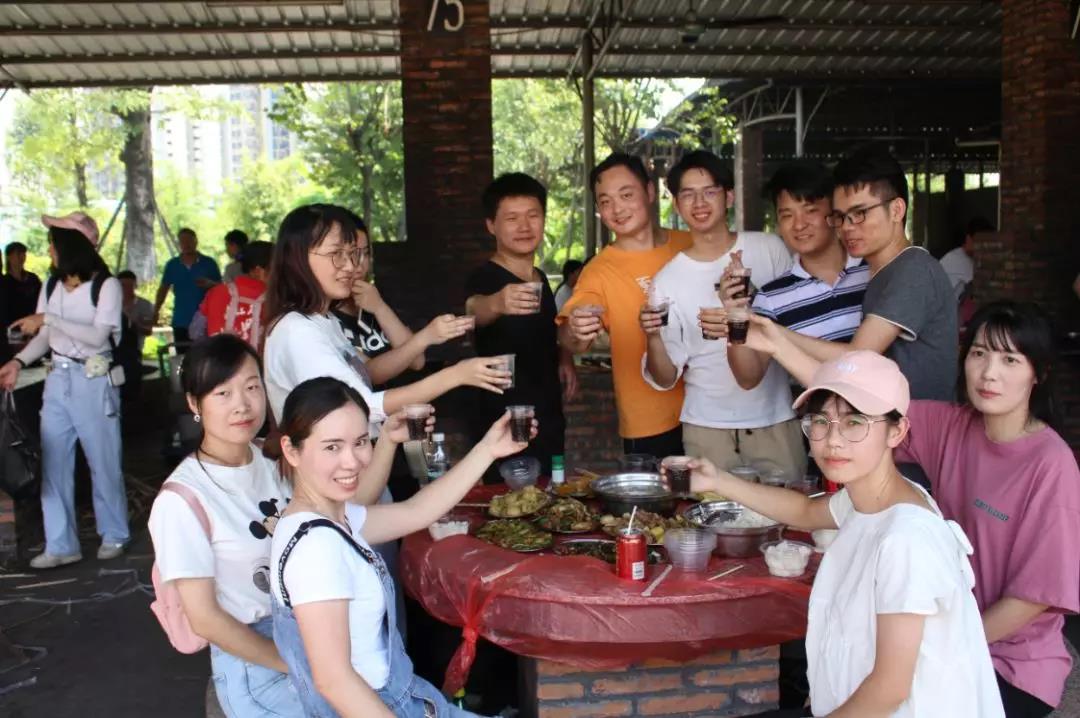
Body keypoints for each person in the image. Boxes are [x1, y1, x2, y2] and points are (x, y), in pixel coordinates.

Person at [686, 350, 1005, 718]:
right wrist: (717, 480)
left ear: (897, 431)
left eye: (855, 423)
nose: (833, 440)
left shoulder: (906, 540)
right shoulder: (869, 499)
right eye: (821, 421)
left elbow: (890, 689)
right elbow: (805, 512)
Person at [270, 377, 533, 717]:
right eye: (332, 447)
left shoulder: (328, 520)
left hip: (406, 698)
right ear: (292, 450)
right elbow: (334, 680)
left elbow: (416, 512)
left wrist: (488, 449)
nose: (352, 461)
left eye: (360, 442)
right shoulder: (315, 548)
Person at [893, 301, 1079, 717]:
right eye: (979, 353)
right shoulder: (952, 426)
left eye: (1010, 359)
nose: (989, 373)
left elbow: (1031, 599)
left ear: (1038, 374)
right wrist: (776, 342)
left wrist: (939, 645)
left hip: (1011, 665)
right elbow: (866, 408)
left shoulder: (1052, 465)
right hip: (946, 641)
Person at [148, 335, 303, 718]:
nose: (242, 405)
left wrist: (387, 441)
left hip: (308, 631)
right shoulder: (182, 499)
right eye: (222, 393)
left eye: (252, 387)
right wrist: (295, 664)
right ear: (194, 404)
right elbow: (205, 618)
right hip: (256, 661)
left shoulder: (274, 459)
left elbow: (352, 516)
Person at [262, 203, 508, 430]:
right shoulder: (297, 329)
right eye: (336, 253)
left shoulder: (324, 321)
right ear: (297, 258)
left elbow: (368, 371)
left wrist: (427, 337)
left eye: (354, 254)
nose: (350, 266)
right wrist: (456, 375)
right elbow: (363, 405)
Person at [749, 145, 958, 402]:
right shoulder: (882, 273)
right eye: (841, 217)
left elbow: (856, 358)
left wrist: (776, 333)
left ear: (896, 210)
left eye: (859, 214)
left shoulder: (914, 268)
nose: (847, 227)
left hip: (921, 422)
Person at [641, 150, 802, 476]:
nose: (699, 203)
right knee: (710, 510)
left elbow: (798, 327)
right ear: (677, 205)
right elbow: (665, 377)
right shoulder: (667, 280)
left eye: (709, 191)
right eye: (688, 194)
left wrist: (748, 301)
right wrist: (653, 336)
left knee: (790, 507)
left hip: (775, 421)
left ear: (728, 196)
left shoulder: (769, 249)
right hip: (706, 430)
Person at [0, 213, 130, 568]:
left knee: (103, 460)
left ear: (70, 246)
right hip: (57, 379)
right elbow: (45, 336)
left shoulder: (106, 286)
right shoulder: (51, 286)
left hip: (94, 379)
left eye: (53, 244)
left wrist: (50, 319)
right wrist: (18, 362)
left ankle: (114, 533)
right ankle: (61, 544)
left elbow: (98, 337)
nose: (49, 251)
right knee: (53, 461)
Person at [558, 153, 693, 457]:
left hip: (710, 413)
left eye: (626, 195)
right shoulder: (598, 270)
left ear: (649, 191)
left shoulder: (690, 245)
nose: (617, 209)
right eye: (605, 201)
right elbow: (570, 337)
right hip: (648, 422)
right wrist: (575, 329)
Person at [465, 172, 577, 478]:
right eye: (512, 218)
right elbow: (473, 311)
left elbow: (547, 331)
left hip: (547, 413)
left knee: (549, 492)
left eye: (533, 215)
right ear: (491, 225)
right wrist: (497, 303)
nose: (524, 226)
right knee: (507, 499)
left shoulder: (540, 278)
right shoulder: (485, 277)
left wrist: (565, 356)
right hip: (503, 420)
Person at [331, 210, 471, 387]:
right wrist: (427, 336)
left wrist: (380, 307)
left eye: (364, 254)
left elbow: (417, 361)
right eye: (348, 254)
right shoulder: (323, 316)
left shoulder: (376, 298)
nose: (357, 265)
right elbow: (368, 375)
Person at [194, 241, 274, 346]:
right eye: (277, 270)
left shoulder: (217, 292)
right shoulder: (274, 299)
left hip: (218, 355)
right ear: (258, 271)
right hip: (257, 357)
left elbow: (195, 331)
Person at [154, 227, 222, 350]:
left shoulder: (209, 263)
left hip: (205, 319)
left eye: (189, 240)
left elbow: (222, 289)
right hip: (181, 320)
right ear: (179, 243)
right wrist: (156, 311)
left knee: (205, 355)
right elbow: (163, 289)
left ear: (196, 242)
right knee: (183, 356)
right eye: (183, 241)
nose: (186, 244)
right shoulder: (172, 265)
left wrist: (210, 284)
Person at [116, 269, 155, 401]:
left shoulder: (145, 305)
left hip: (134, 353)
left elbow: (148, 330)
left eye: (130, 285)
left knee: (132, 390)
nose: (126, 289)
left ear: (135, 285)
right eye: (123, 285)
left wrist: (132, 321)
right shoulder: (110, 304)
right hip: (113, 353)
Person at [940, 217, 993, 301]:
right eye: (979, 242)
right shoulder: (957, 260)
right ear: (968, 238)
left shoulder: (963, 257)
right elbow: (985, 287)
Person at [3, 240, 43, 326]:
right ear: (9, 257)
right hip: (13, 326)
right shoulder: (4, 282)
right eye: (18, 254)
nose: (22, 257)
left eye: (23, 254)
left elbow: (42, 299)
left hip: (34, 323)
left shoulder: (33, 278)